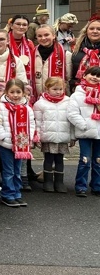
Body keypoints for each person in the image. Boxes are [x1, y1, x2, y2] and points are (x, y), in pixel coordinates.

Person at [0, 79, 36, 207]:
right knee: (9, 170)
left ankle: (17, 193)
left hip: (21, 144)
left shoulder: (27, 108)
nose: (15, 95)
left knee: (17, 170)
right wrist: (4, 137)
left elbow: (31, 123)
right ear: (6, 92)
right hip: (6, 144)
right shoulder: (0, 107)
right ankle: (7, 194)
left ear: (23, 93)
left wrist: (29, 137)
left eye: (18, 92)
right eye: (12, 92)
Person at [66, 66, 100, 197]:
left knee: (98, 160)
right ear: (84, 76)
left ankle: (97, 185)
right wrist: (84, 125)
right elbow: (72, 114)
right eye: (92, 74)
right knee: (85, 159)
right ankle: (81, 185)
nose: (95, 77)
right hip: (85, 132)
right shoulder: (77, 95)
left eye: (98, 76)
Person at [35, 77, 71, 193]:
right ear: (47, 89)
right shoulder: (40, 104)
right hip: (48, 136)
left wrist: (73, 137)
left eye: (60, 89)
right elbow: (38, 122)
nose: (58, 92)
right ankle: (48, 181)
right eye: (55, 89)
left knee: (60, 160)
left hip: (62, 137)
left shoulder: (68, 101)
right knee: (48, 159)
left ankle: (59, 182)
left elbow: (71, 120)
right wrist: (38, 136)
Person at [33, 25, 71, 97]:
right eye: (40, 36)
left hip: (59, 99)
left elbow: (68, 79)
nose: (43, 38)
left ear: (53, 36)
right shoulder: (32, 54)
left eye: (46, 35)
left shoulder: (66, 55)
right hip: (37, 99)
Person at [70, 14, 100, 92]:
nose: (95, 31)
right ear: (86, 31)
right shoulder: (76, 50)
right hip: (80, 92)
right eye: (91, 28)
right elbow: (71, 74)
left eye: (99, 29)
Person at [8, 15, 36, 84]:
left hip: (26, 80)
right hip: (8, 78)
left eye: (24, 25)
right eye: (18, 24)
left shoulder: (29, 43)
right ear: (11, 26)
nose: (21, 27)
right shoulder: (4, 42)